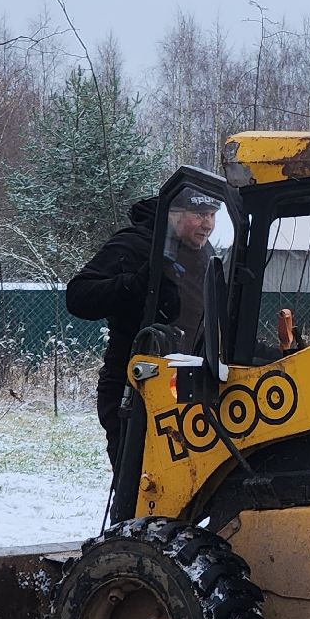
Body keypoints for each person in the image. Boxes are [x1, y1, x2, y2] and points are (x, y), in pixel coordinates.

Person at [67, 187, 219, 466]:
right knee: (139, 485)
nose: (208, 224)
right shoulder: (135, 245)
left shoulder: (204, 252)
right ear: (174, 214)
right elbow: (78, 296)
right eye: (200, 215)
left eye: (212, 215)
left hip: (183, 385)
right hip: (134, 387)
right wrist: (135, 285)